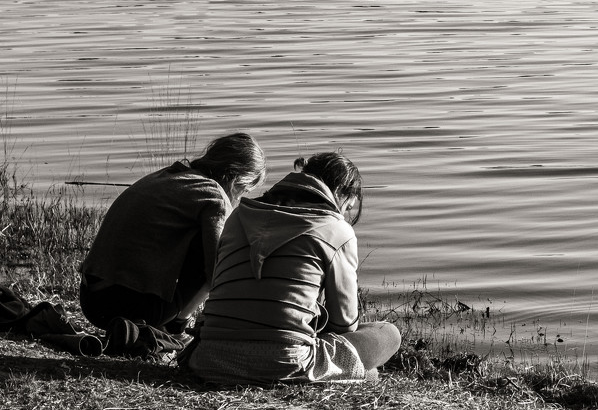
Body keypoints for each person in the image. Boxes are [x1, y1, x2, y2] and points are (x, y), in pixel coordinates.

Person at [186, 151, 401, 385]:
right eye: (348, 207)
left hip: (210, 358)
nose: (344, 214)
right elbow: (344, 325)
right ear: (342, 193)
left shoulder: (238, 216)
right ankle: (351, 372)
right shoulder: (337, 229)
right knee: (388, 334)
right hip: (285, 362)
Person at [79, 133, 266, 353]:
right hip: (125, 304)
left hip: (91, 299)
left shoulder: (169, 175)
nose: (240, 197)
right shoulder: (214, 196)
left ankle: (154, 326)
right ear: (236, 179)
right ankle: (176, 330)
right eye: (245, 191)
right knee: (218, 252)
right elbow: (217, 271)